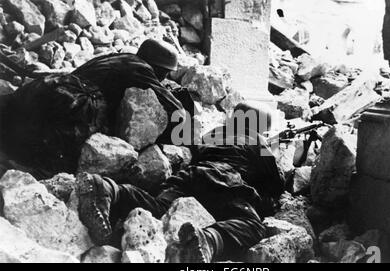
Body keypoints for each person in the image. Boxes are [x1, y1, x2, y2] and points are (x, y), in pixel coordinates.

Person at [76, 102, 286, 262]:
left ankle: (107, 189)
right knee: (250, 224)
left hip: (189, 177)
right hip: (226, 182)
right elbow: (278, 185)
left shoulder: (212, 134)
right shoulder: (258, 142)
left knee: (160, 208)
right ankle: (208, 240)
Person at [0, 39, 185, 179]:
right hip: (74, 102)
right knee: (42, 161)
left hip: (51, 85)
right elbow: (176, 109)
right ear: (160, 69)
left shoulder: (117, 57)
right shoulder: (142, 69)